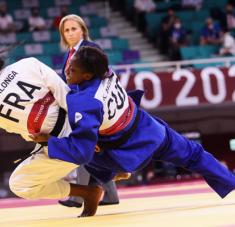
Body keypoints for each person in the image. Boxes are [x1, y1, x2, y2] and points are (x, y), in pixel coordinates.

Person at [32, 46, 235, 216]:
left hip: (128, 153)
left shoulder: (83, 101)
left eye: (72, 70)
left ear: (87, 75)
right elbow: (88, 65)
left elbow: (81, 151)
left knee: (83, 148)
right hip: (151, 129)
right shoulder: (106, 72)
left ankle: (109, 173)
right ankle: (231, 182)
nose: (66, 71)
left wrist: (49, 142)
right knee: (194, 154)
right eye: (68, 67)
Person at [0, 56, 102, 217]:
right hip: (68, 133)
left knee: (20, 185)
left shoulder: (28, 65)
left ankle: (95, 182)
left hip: (65, 142)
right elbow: (63, 91)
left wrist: (84, 132)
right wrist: (86, 127)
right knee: (18, 184)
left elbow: (17, 129)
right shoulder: (28, 63)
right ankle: (89, 190)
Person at [57, 14, 119, 207]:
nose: (70, 33)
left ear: (83, 30)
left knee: (84, 146)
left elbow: (102, 77)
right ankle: (110, 196)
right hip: (81, 105)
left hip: (92, 106)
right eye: (66, 30)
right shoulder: (70, 53)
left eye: (74, 29)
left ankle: (77, 198)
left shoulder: (91, 49)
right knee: (94, 150)